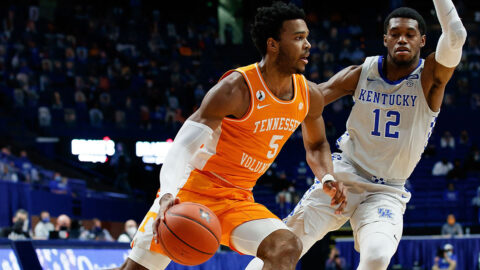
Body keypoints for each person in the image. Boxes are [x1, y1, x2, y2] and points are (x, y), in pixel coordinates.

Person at [118, 2, 346, 270]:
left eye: (307, 37)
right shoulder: (235, 89)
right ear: (273, 44)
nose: (307, 45)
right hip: (191, 191)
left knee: (286, 246)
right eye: (298, 38)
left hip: (237, 199)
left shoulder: (310, 95)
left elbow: (317, 144)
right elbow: (183, 145)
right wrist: (167, 193)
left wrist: (327, 176)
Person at [247, 0, 467, 269]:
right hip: (345, 174)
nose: (402, 40)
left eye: (410, 35)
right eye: (395, 34)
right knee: (283, 246)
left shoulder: (430, 77)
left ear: (422, 41)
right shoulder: (362, 72)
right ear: (385, 39)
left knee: (376, 256)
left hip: (387, 189)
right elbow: (309, 102)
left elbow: (456, 35)